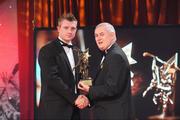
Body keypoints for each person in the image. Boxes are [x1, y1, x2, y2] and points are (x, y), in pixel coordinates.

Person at [78, 22, 134, 119]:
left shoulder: (115, 56)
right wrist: (88, 100)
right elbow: (104, 85)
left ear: (112, 35)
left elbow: (112, 88)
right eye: (96, 35)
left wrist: (89, 89)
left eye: (102, 34)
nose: (98, 38)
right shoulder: (110, 54)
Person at [38, 13, 89, 120]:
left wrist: (86, 97)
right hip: (54, 111)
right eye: (66, 27)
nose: (70, 31)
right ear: (58, 28)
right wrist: (75, 98)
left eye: (73, 28)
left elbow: (82, 79)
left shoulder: (78, 52)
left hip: (75, 110)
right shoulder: (47, 50)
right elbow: (53, 79)